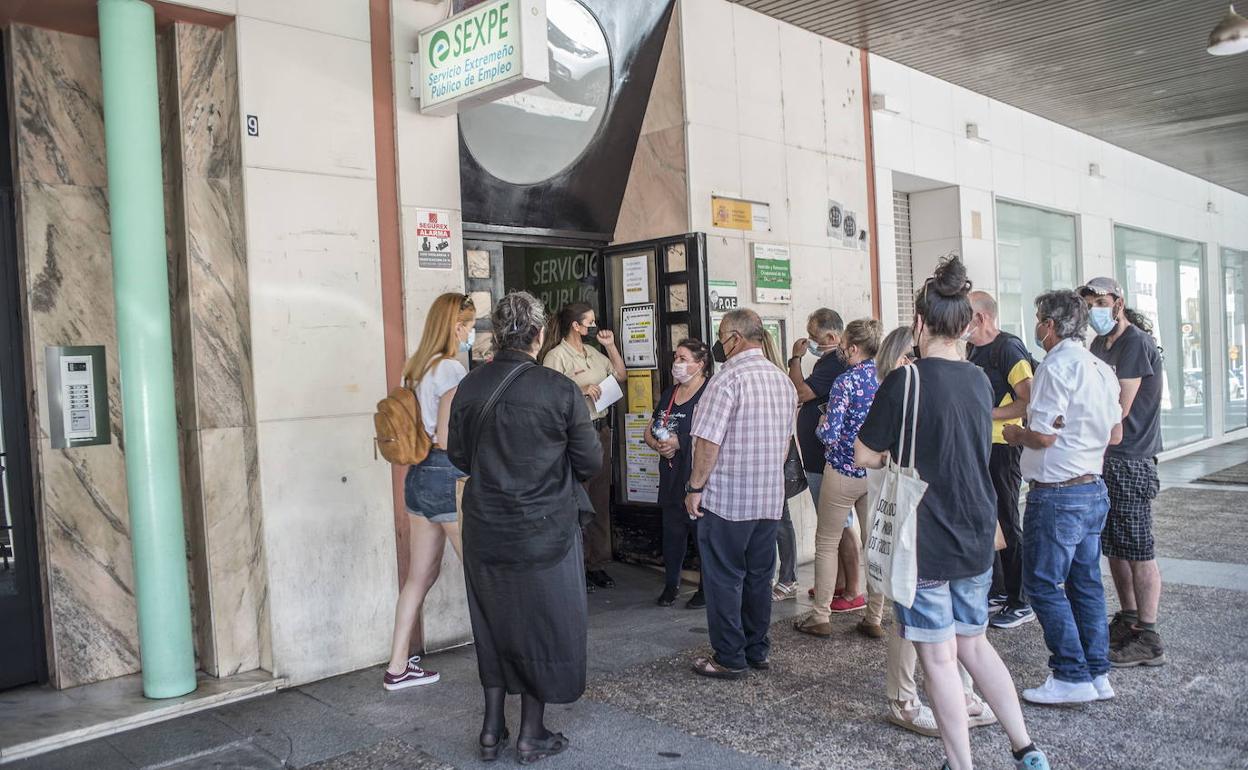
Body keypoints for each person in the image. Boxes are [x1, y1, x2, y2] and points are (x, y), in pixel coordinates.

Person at [856, 258, 1049, 770]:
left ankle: (961, 764)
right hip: (977, 529)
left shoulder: (905, 381)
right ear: (966, 326)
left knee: (939, 657)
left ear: (919, 323)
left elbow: (864, 454)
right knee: (975, 645)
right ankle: (1026, 748)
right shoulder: (979, 381)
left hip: (925, 537)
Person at [447, 291, 602, 764]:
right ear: (538, 334)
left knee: (492, 623)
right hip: (544, 529)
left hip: (484, 528)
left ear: (498, 333)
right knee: (540, 626)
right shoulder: (560, 390)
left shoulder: (470, 386)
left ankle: (491, 729)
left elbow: (459, 457)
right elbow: (590, 462)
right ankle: (531, 734)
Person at [865, 327, 995, 737]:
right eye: (912, 356)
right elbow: (869, 452)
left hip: (947, 516)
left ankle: (962, 694)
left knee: (953, 626)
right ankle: (904, 699)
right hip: (912, 515)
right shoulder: (902, 389)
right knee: (913, 614)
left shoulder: (957, 381)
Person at [1003, 291, 1122, 705]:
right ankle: (1097, 672)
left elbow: (1044, 436)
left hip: (1057, 494)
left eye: (1039, 318)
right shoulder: (1100, 367)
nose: (1037, 326)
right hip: (1092, 487)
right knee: (1085, 583)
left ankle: (1071, 673)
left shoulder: (1055, 367)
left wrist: (1016, 435)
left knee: (1041, 583)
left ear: (1049, 326)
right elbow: (1116, 433)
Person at [684, 309, 797, 679]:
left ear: (734, 338)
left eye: (721, 336)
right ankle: (756, 650)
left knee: (724, 579)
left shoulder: (726, 380)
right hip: (768, 500)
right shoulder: (783, 380)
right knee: (759, 579)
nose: (720, 343)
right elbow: (785, 444)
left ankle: (730, 657)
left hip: (728, 500)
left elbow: (707, 444)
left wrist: (695, 487)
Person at [383, 292, 475, 692]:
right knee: (480, 572)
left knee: (418, 577)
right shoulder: (451, 370)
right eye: (469, 326)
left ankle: (397, 666)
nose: (471, 334)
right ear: (456, 327)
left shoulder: (417, 367)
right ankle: (503, 661)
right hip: (446, 473)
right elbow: (446, 437)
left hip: (417, 476)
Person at [1080, 277, 1166, 667]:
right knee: (1115, 547)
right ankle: (1129, 619)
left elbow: (1118, 408)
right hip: (1106, 458)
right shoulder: (1100, 344)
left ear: (1118, 302)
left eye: (1100, 302)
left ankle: (1148, 635)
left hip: (1132, 459)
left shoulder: (1135, 344)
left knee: (1139, 549)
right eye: (1089, 304)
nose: (1094, 310)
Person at [794, 319, 883, 637]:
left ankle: (821, 616)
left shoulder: (846, 382)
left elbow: (829, 434)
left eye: (844, 345)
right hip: (875, 472)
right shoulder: (886, 377)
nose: (840, 349)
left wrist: (821, 423)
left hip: (843, 470)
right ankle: (874, 617)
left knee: (827, 543)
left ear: (854, 348)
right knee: (874, 544)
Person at [541, 302, 627, 592]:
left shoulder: (592, 352)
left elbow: (620, 375)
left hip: (600, 430)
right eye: (589, 322)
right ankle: (576, 563)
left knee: (600, 498)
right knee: (579, 499)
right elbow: (548, 396)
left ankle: (596, 563)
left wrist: (610, 346)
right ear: (575, 326)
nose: (593, 326)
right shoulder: (556, 356)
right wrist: (579, 390)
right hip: (576, 433)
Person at [966, 292, 1036, 630]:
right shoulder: (971, 351)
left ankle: (1021, 599)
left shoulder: (1008, 348)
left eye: (964, 315)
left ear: (980, 318)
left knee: (1007, 520)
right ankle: (998, 590)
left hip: (1003, 446)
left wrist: (987, 413)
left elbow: (1029, 400)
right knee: (986, 520)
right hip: (978, 445)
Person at [782, 308, 858, 603]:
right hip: (818, 457)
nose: (810, 341)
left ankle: (851, 589)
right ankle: (837, 582)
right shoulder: (829, 362)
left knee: (839, 525)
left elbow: (800, 393)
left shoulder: (835, 362)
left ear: (831, 336)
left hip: (827, 458)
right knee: (831, 525)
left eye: (814, 336)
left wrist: (795, 358)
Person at [646, 339, 712, 609]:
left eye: (683, 359)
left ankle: (706, 589)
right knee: (672, 535)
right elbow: (649, 429)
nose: (677, 363)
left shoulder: (709, 393)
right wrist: (658, 445)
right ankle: (671, 585)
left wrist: (679, 442)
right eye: (676, 357)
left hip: (697, 477)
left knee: (702, 536)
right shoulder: (670, 393)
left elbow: (712, 437)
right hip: (671, 477)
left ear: (700, 364)